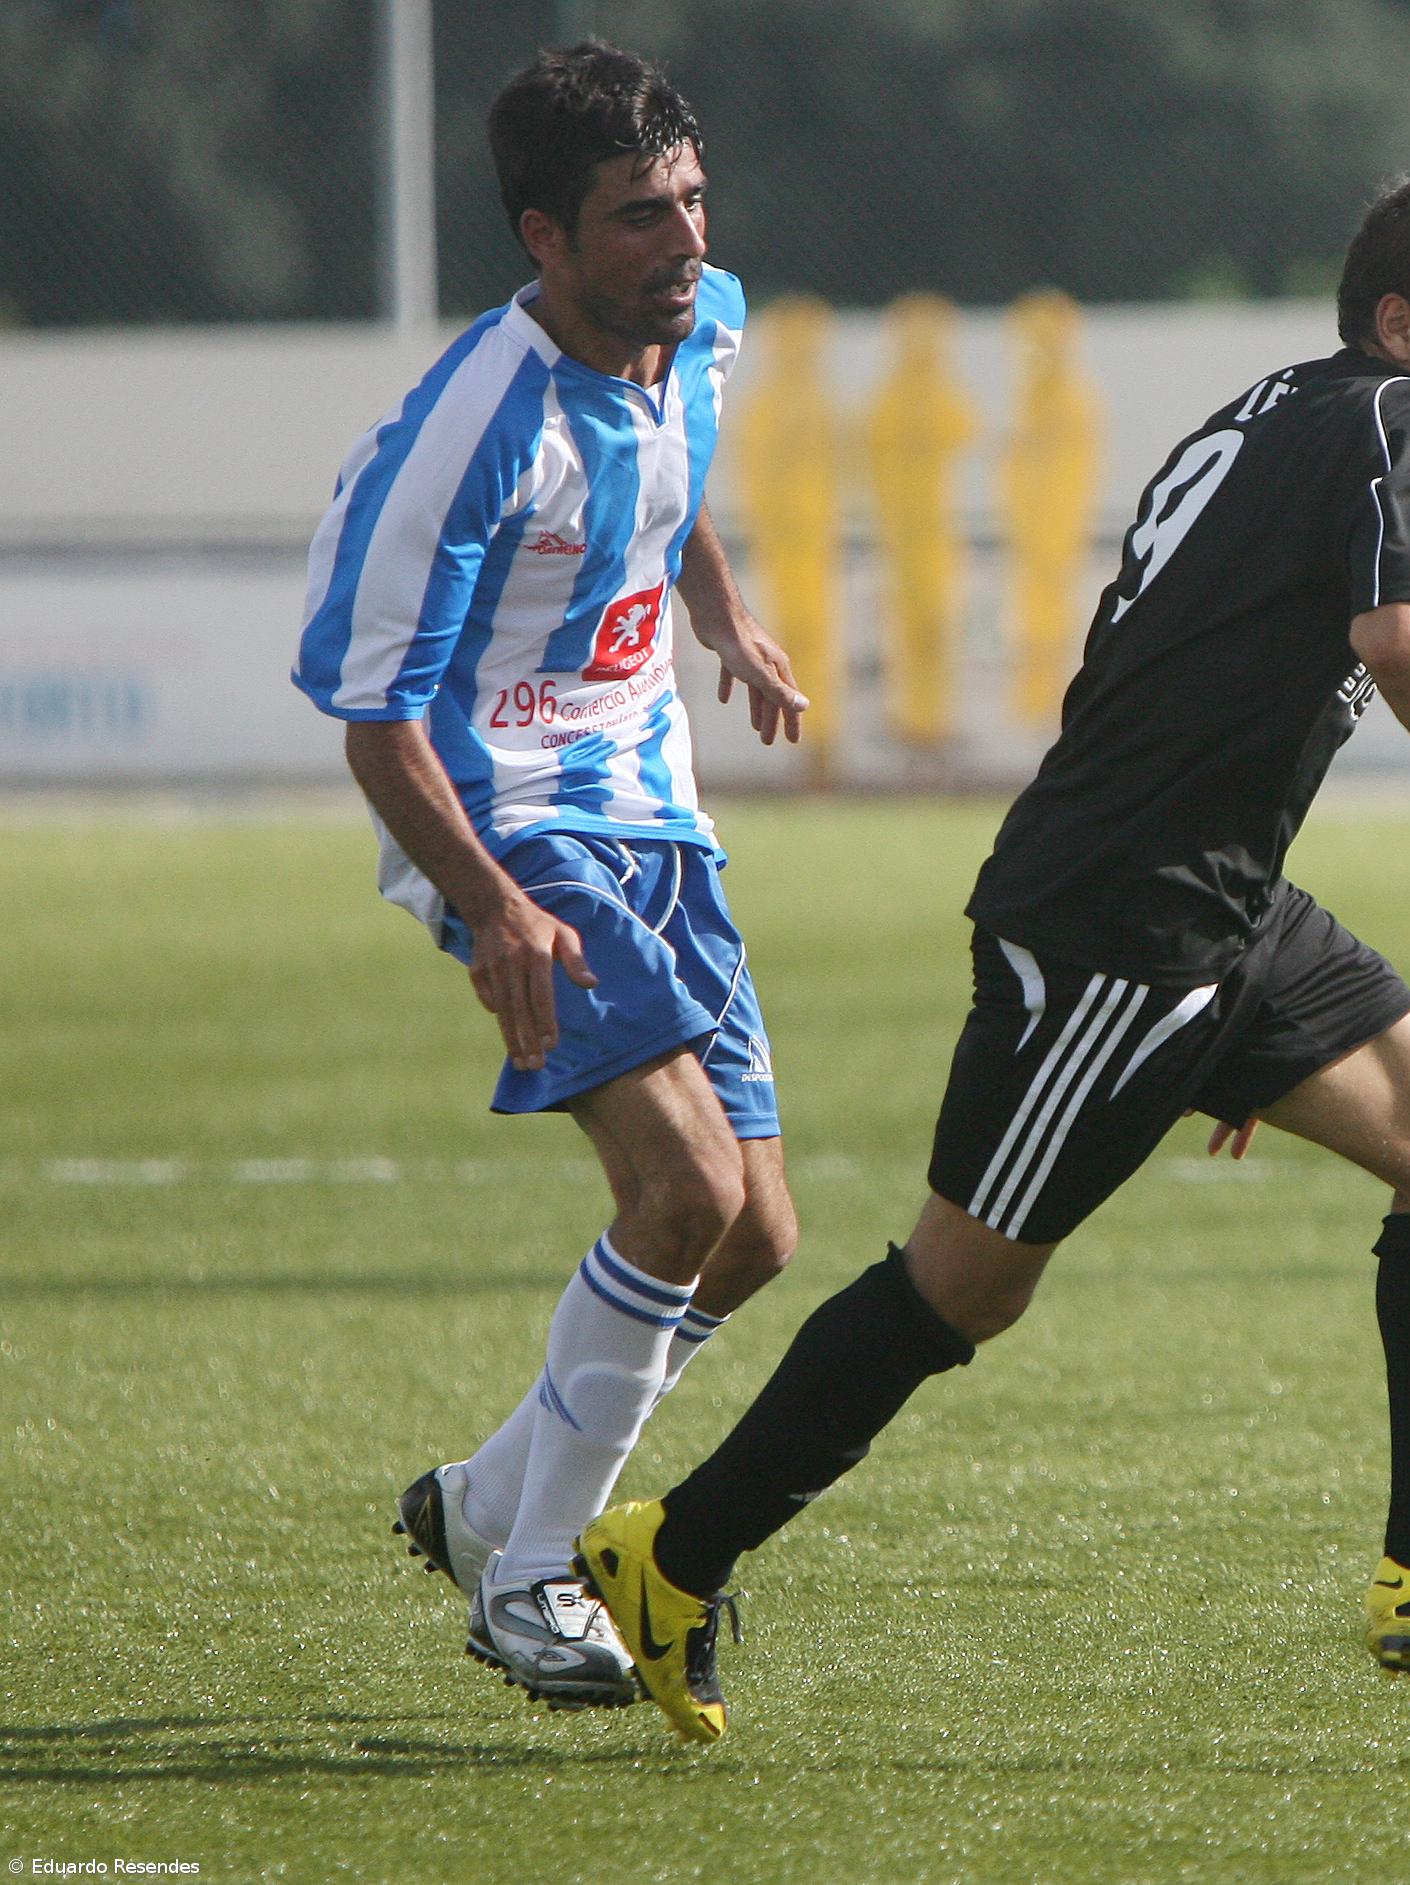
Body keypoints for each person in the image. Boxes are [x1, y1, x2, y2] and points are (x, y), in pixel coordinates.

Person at [577, 167, 1410, 1743]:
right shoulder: (1403, 424)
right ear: (1404, 324)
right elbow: (1401, 642)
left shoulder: (1301, 407)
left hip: (1208, 910)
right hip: (1118, 927)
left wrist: (1229, 1020)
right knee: (965, 1286)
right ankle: (670, 1550)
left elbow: (1211, 653)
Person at [290, 42, 808, 1710]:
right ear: (543, 236)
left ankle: (481, 1502)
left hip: (650, 801)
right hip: (504, 807)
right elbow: (374, 719)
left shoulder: (701, 319)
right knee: (681, 1193)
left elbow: (675, 477)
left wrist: (720, 612)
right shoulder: (473, 430)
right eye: (636, 217)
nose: (680, 238)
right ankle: (535, 1581)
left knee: (756, 1236)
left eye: (690, 198)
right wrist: (495, 899)